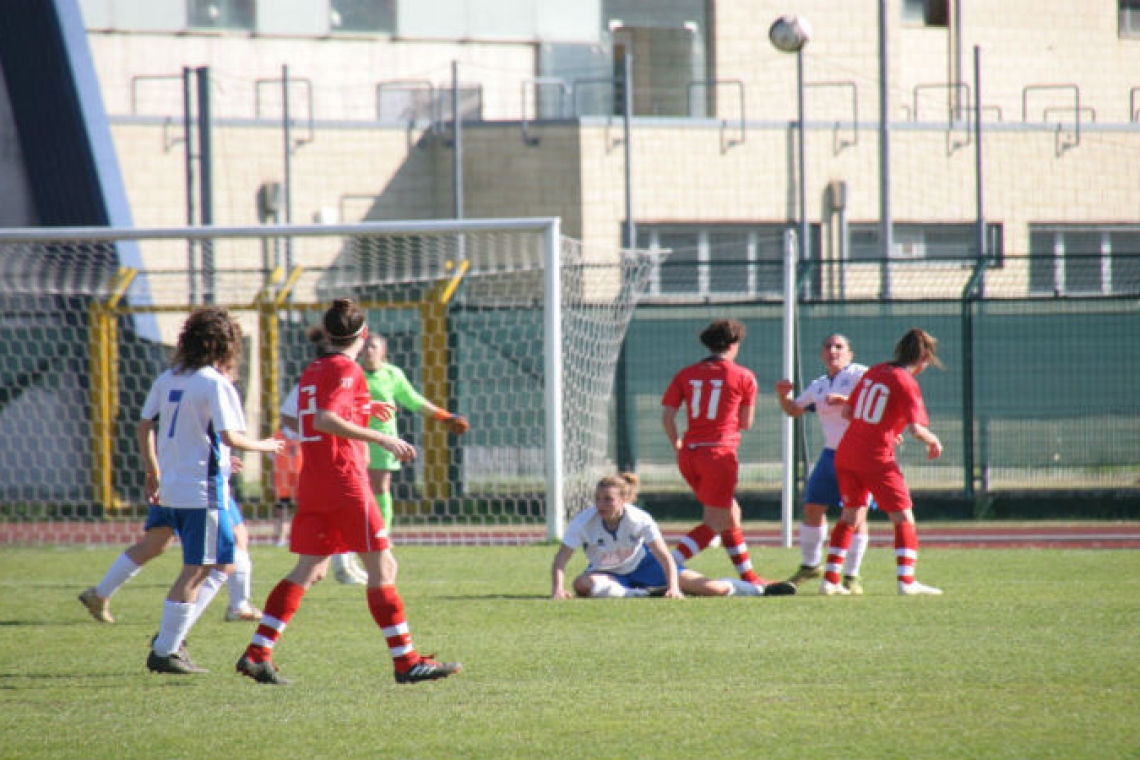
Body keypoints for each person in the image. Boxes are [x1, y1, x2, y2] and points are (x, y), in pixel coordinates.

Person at [236, 298, 461, 685]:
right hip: (345, 481)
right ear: (364, 333)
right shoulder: (346, 367)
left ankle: (258, 653)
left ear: (327, 333)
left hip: (316, 481)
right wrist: (380, 437)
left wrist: (364, 407)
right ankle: (406, 661)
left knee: (312, 569)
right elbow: (324, 419)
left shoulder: (317, 367)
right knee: (384, 567)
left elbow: (315, 412)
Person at [137, 306, 283, 674]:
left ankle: (172, 637)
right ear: (224, 345)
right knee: (197, 568)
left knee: (223, 563)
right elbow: (230, 435)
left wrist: (152, 470)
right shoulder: (213, 382)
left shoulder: (168, 377)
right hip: (202, 490)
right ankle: (165, 648)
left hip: (173, 482)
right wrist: (266, 445)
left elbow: (144, 425)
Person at [661, 318, 795, 596]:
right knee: (715, 522)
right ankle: (666, 566)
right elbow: (745, 423)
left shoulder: (686, 374)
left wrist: (677, 442)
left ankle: (749, 576)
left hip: (689, 455)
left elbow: (668, 415)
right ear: (734, 345)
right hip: (718, 455)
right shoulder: (743, 376)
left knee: (731, 514)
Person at [823, 327, 945, 596]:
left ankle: (830, 580)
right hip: (875, 457)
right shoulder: (906, 381)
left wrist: (885, 430)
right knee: (903, 516)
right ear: (924, 360)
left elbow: (847, 412)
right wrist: (933, 440)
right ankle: (907, 581)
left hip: (847, 451)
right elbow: (916, 429)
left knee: (850, 514)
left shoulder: (875, 370)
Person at [78, 470, 264, 625]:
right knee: (234, 540)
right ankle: (238, 606)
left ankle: (100, 594)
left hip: (170, 477)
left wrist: (152, 468)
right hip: (200, 482)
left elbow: (146, 428)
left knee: (155, 544)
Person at [551, 473, 770, 599]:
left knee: (715, 590)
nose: (601, 504)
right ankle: (643, 594)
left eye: (608, 499)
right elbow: (561, 559)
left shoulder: (640, 519)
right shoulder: (583, 521)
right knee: (581, 585)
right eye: (598, 499)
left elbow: (665, 557)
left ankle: (757, 589)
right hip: (607, 573)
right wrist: (558, 589)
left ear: (624, 500)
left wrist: (674, 587)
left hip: (645, 566)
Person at [774, 333, 871, 594]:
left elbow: (878, 403)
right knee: (813, 508)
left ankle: (852, 576)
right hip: (831, 455)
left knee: (855, 514)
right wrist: (783, 396)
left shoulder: (862, 376)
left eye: (839, 346)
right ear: (821, 354)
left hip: (861, 453)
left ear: (850, 353)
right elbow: (795, 410)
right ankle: (810, 566)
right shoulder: (819, 384)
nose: (833, 350)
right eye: (828, 346)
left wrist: (846, 401)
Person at [359, 332, 470, 531]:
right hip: (356, 439)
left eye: (373, 346)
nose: (368, 350)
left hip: (384, 441)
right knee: (356, 490)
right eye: (365, 346)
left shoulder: (392, 374)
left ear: (384, 351)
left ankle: (381, 535)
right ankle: (349, 543)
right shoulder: (353, 373)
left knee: (380, 487)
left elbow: (413, 400)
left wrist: (443, 416)